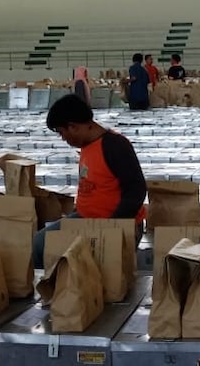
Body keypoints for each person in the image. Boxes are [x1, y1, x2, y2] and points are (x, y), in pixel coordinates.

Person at [32, 94, 147, 268]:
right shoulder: (87, 147)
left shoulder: (115, 146)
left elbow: (136, 190)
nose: (63, 139)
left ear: (73, 127)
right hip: (86, 219)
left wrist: (111, 228)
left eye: (62, 133)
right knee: (38, 245)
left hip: (114, 224)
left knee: (43, 246)